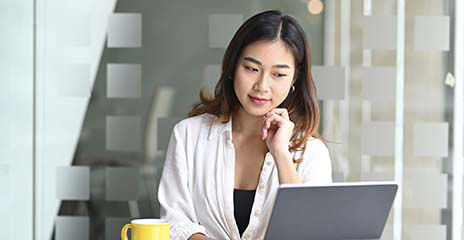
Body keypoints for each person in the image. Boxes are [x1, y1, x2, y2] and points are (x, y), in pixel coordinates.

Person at [157, 9, 332, 240]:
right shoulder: (188, 135)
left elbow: (313, 232)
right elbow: (172, 221)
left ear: (294, 80)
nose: (262, 85)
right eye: (251, 69)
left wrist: (281, 154)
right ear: (232, 67)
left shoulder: (312, 152)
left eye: (278, 74)